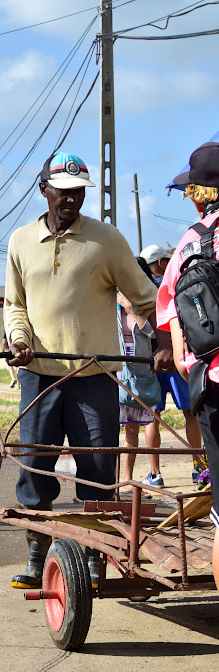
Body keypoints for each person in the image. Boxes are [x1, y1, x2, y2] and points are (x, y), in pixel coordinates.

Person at [4, 151, 172, 590]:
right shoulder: (20, 241)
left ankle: (97, 558)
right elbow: (14, 305)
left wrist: (165, 341)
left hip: (95, 378)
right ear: (44, 190)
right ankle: (37, 555)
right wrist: (19, 341)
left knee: (98, 470)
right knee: (35, 468)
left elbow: (146, 297)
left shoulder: (106, 240)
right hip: (40, 376)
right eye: (64, 191)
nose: (72, 200)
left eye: (79, 192)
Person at [155, 141, 219, 593]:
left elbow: (170, 314)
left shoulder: (190, 244)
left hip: (212, 383)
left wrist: (188, 364)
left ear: (198, 195)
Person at [140, 244, 204, 485]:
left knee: (152, 416)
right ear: (161, 264)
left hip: (151, 358)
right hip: (178, 355)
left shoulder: (142, 288)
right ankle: (199, 468)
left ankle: (155, 474)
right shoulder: (177, 283)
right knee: (191, 413)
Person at [117, 260, 160, 493]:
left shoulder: (147, 302)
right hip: (121, 373)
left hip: (143, 371)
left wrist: (132, 310)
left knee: (150, 421)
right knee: (128, 429)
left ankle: (155, 472)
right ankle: (126, 479)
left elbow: (154, 334)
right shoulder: (112, 304)